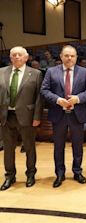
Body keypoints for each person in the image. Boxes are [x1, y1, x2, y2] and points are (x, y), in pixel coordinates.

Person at [41, 45, 86, 188]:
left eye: (72, 56)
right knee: (58, 146)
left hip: (77, 114)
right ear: (61, 56)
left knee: (78, 146)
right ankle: (60, 173)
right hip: (58, 114)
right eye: (66, 55)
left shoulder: (84, 72)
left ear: (76, 57)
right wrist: (58, 100)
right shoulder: (51, 71)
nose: (69, 58)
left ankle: (77, 171)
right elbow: (44, 90)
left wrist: (78, 98)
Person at [0, 46, 43, 190]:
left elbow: (39, 97)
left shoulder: (36, 74)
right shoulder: (1, 72)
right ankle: (10, 176)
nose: (16, 57)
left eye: (20, 55)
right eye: (14, 55)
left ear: (26, 58)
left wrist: (37, 116)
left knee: (29, 148)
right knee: (8, 149)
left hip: (27, 117)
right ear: (10, 58)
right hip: (6, 116)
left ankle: (31, 174)